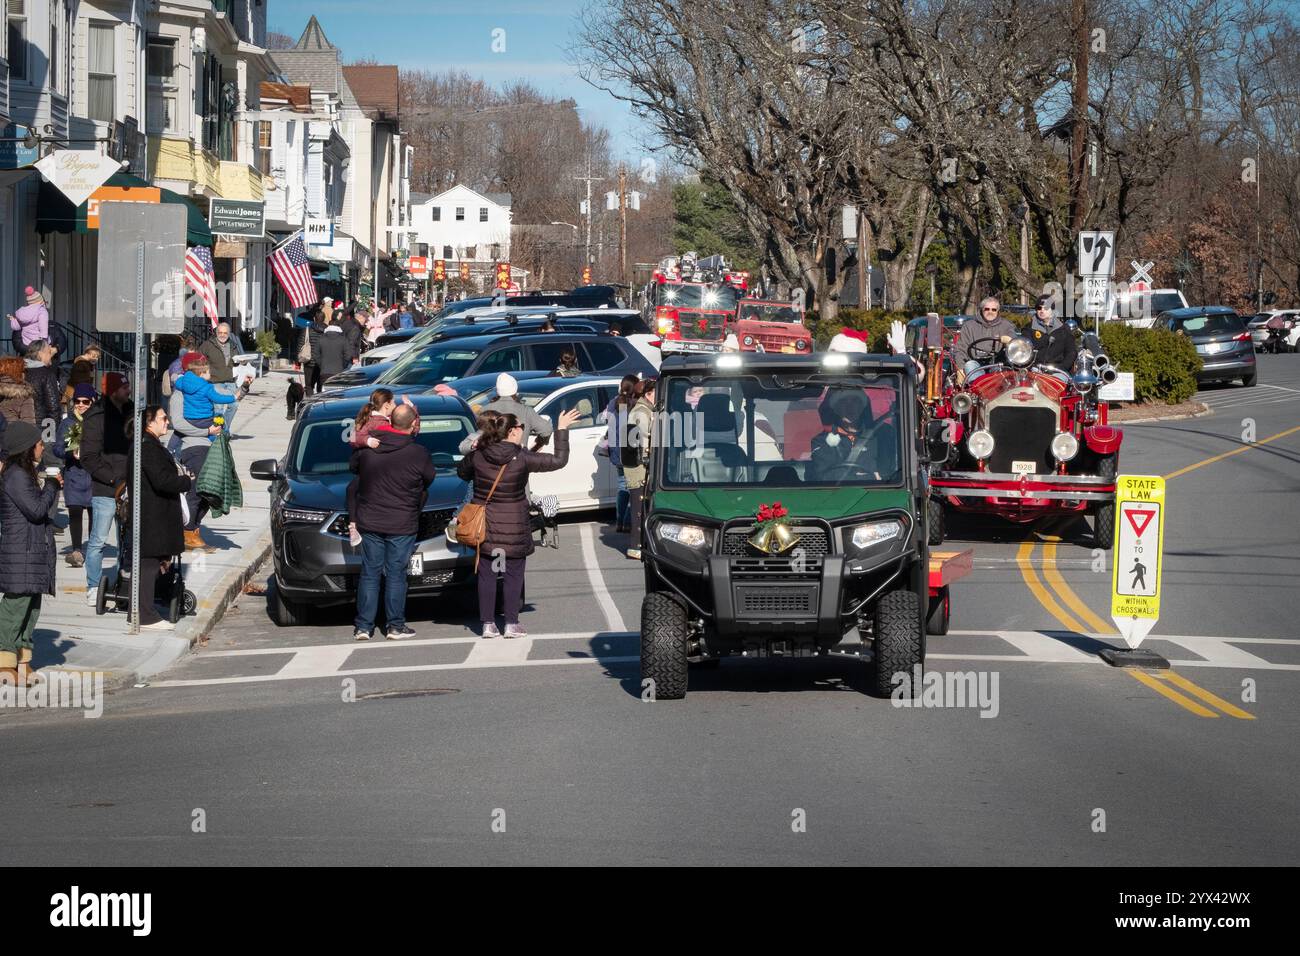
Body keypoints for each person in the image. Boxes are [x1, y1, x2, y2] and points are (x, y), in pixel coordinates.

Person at [459, 406, 579, 638]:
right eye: (521, 427)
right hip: (514, 524)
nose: (522, 430)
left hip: (486, 524)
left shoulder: (479, 455)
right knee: (513, 573)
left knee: (488, 573)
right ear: (513, 431)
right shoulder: (521, 457)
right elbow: (558, 460)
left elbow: (462, 472)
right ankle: (511, 623)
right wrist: (562, 429)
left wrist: (477, 447)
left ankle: (487, 624)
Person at [349, 404, 435, 641]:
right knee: (396, 574)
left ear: (390, 421)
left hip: (371, 519)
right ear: (412, 424)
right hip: (402, 521)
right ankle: (395, 626)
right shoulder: (418, 453)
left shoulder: (369, 447)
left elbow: (353, 468)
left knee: (370, 572)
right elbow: (429, 478)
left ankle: (364, 626)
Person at [0, 421, 60, 685]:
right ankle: (4, 664)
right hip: (20, 551)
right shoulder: (15, 476)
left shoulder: (23, 473)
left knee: (31, 607)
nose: (42, 446)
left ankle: (23, 662)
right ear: (26, 448)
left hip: (31, 550)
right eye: (38, 443)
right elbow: (36, 510)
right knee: (15, 607)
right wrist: (52, 486)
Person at [126, 405, 193, 630]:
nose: (167, 422)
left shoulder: (148, 445)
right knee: (147, 565)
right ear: (149, 422)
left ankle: (141, 611)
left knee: (152, 564)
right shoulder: (147, 447)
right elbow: (162, 480)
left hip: (153, 513)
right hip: (152, 515)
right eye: (163, 418)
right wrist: (186, 481)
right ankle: (145, 615)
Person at [79, 372, 133, 604]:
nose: (128, 391)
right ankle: (93, 585)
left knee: (128, 540)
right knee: (98, 540)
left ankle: (125, 581)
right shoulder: (96, 417)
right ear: (112, 391)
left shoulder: (132, 411)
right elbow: (89, 458)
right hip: (106, 489)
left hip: (130, 487)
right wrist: (113, 480)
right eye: (124, 388)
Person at [168, 382, 220, 552]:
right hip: (191, 447)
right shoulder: (180, 395)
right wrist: (206, 432)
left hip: (208, 446)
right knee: (196, 492)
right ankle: (188, 532)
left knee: (209, 493)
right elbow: (178, 424)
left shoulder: (202, 392)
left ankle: (192, 529)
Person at [809, 388, 899, 483]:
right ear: (835, 408)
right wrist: (869, 477)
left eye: (855, 401)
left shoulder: (881, 435)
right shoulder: (821, 441)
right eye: (843, 401)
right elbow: (825, 477)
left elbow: (889, 472)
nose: (850, 407)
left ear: (862, 406)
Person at [458, 373, 553, 454]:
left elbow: (465, 446)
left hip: (490, 462)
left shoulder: (485, 410)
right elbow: (546, 430)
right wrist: (534, 448)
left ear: (498, 391)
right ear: (515, 390)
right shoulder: (526, 410)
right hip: (517, 461)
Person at [54, 384, 96, 568]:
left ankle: (94, 549)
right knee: (76, 513)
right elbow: (57, 448)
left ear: (92, 402)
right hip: (74, 474)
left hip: (95, 475)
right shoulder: (69, 423)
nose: (80, 405)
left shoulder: (98, 422)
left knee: (96, 514)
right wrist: (71, 453)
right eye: (77, 401)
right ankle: (77, 550)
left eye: (85, 401)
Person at [174, 353, 242, 440]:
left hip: (189, 418)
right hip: (204, 419)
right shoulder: (206, 387)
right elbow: (218, 398)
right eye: (209, 372)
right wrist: (234, 397)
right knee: (220, 427)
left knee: (179, 434)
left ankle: (173, 447)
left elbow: (177, 382)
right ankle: (213, 442)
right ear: (201, 374)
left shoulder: (184, 382)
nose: (211, 374)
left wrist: (180, 376)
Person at [623, 378, 656, 560]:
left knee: (640, 504)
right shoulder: (642, 413)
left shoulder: (644, 410)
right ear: (648, 394)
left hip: (637, 464)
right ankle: (635, 546)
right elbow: (644, 441)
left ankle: (639, 544)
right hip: (638, 466)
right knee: (638, 504)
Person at [602, 374, 638, 534]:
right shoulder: (634, 404)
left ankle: (619, 522)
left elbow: (606, 421)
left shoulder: (613, 402)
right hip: (630, 451)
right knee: (634, 488)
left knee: (622, 486)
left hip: (616, 451)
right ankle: (627, 521)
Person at [954, 296, 1018, 380]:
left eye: (993, 309)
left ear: (998, 311)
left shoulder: (1006, 326)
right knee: (969, 366)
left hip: (997, 363)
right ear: (981, 310)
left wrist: (1010, 341)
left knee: (1003, 371)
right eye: (987, 309)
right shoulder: (969, 326)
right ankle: (976, 389)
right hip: (976, 362)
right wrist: (960, 368)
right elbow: (961, 349)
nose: (990, 312)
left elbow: (1015, 344)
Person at [1027, 294, 1077, 371]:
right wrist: (1031, 367)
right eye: (1039, 308)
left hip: (1058, 371)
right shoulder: (1028, 328)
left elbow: (1071, 352)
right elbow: (1024, 351)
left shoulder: (1064, 329)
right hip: (1035, 370)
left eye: (1046, 308)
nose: (1042, 310)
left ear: (1052, 309)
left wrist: (1062, 368)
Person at [24, 339, 63, 436]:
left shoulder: (20, 371)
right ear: (41, 354)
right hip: (42, 430)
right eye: (49, 352)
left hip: (22, 428)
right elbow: (53, 408)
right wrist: (50, 436)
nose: (52, 356)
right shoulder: (46, 374)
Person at [7, 285, 48, 354]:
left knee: (28, 362)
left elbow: (16, 327)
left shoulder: (22, 313)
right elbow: (43, 326)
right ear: (40, 300)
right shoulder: (41, 310)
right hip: (38, 343)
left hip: (26, 343)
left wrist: (13, 319)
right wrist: (44, 340)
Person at [315, 312, 354, 383]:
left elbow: (316, 355)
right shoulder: (343, 339)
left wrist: (322, 365)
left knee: (325, 392)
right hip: (339, 371)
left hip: (324, 371)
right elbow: (348, 355)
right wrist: (343, 365)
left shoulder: (321, 339)